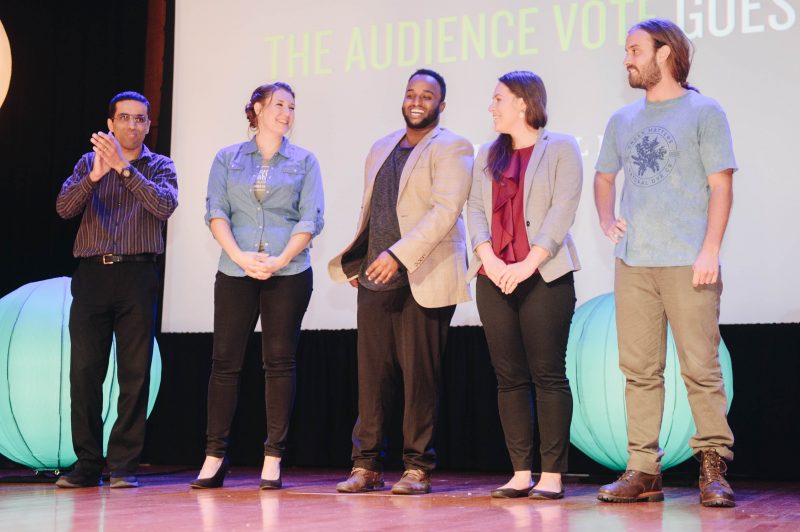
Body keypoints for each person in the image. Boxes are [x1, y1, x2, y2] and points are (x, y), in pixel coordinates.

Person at [594, 19, 737, 507]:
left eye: (635, 49)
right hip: (634, 264)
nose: (627, 58)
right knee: (639, 370)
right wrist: (606, 217)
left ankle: (713, 467)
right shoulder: (622, 120)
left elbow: (721, 185)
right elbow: (604, 176)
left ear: (665, 52)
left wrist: (711, 248)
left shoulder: (704, 111)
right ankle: (642, 470)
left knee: (701, 367)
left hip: (688, 261)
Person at [329, 69, 473, 495]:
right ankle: (366, 464)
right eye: (411, 93)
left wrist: (398, 256)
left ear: (441, 105)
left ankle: (417, 467)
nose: (416, 101)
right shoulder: (381, 146)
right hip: (377, 273)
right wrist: (364, 259)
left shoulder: (454, 146)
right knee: (372, 377)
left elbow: (444, 213)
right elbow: (373, 211)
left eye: (426, 96)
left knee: (419, 377)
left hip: (424, 274)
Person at [190, 82, 324, 490]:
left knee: (279, 361)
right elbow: (216, 212)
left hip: (289, 271)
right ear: (258, 109)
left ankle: (273, 457)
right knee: (225, 362)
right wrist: (241, 256)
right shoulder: (227, 158)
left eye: (292, 107)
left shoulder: (304, 161)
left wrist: (281, 259)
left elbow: (311, 217)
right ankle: (214, 456)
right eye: (279, 105)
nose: (287, 113)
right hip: (236, 270)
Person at [466, 71, 582, 500]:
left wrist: (528, 263)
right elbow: (474, 208)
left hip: (545, 275)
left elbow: (562, 209)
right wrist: (489, 259)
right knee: (508, 377)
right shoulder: (485, 154)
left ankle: (551, 475)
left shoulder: (562, 148)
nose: (491, 107)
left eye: (498, 99)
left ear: (523, 102)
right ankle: (520, 472)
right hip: (493, 275)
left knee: (547, 375)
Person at [55, 91, 178, 488]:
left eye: (140, 119)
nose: (132, 125)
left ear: (147, 125)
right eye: (124, 118)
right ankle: (87, 463)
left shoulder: (160, 166)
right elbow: (64, 208)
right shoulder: (86, 163)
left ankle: (124, 465)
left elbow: (163, 206)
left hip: (137, 276)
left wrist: (124, 169)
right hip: (92, 276)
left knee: (134, 373)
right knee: (85, 372)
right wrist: (96, 174)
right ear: (110, 124)